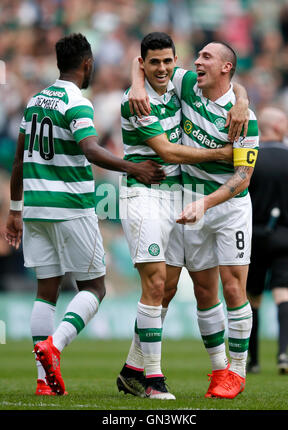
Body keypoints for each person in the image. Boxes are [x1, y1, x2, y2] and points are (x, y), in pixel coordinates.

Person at [4, 33, 166, 396]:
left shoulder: (34, 101)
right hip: (71, 207)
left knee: (45, 292)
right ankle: (54, 347)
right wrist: (133, 167)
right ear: (87, 64)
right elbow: (91, 150)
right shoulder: (76, 102)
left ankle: (43, 381)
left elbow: (18, 161)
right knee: (95, 287)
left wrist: (14, 211)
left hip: (34, 208)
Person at [116, 32, 250, 400]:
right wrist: (135, 80)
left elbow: (244, 175)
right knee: (165, 287)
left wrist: (242, 97)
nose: (195, 63)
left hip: (220, 206)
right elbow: (167, 150)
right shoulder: (166, 89)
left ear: (224, 68)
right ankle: (148, 375)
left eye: (204, 57)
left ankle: (229, 371)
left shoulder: (242, 115)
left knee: (221, 289)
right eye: (197, 57)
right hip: (173, 200)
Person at [246, 107, 288, 375]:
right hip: (287, 234)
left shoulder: (250, 158)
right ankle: (282, 354)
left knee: (252, 297)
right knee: (284, 294)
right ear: (278, 127)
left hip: (253, 235)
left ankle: (253, 360)